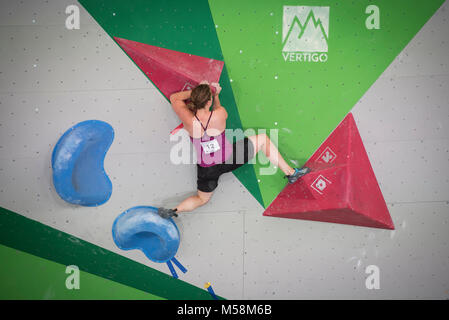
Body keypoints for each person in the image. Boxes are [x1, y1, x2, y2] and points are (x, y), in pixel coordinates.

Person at [158, 80, 310, 218]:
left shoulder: (188, 120)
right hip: (230, 159)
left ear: (195, 99)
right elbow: (219, 108)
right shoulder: (219, 115)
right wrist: (215, 94)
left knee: (201, 199)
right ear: (208, 101)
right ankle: (290, 173)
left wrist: (197, 91)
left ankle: (174, 211)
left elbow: (175, 98)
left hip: (207, 169)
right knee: (263, 140)